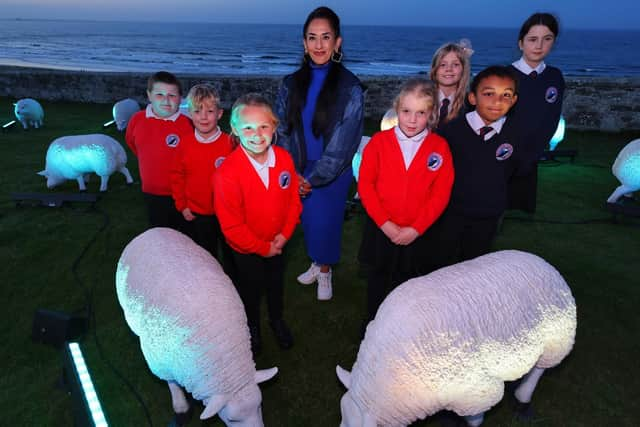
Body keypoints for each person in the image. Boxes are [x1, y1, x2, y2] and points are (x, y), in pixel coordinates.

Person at [275, 6, 365, 301]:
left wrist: (313, 177)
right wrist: (294, 170)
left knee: (326, 222)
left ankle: (325, 271)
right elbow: (283, 129)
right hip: (298, 166)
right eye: (312, 37)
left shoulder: (350, 86)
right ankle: (316, 263)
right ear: (304, 42)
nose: (318, 44)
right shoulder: (289, 84)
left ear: (337, 42)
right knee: (309, 221)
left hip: (331, 171)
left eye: (326, 37)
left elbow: (345, 140)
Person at [358, 78, 454, 323]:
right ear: (396, 109)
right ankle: (373, 326)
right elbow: (366, 186)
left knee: (410, 284)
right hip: (382, 229)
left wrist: (416, 228)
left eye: (421, 113)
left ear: (431, 113)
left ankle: (405, 328)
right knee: (378, 281)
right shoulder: (378, 143)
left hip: (417, 233)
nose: (412, 119)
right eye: (406, 111)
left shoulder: (440, 147)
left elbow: (441, 193)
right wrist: (385, 224)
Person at [214, 93, 302, 356]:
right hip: (246, 250)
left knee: (276, 284)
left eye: (264, 126)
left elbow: (293, 202)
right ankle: (251, 326)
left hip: (278, 243)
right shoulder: (227, 174)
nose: (257, 134)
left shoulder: (284, 159)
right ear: (235, 130)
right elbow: (231, 226)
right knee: (250, 291)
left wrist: (284, 236)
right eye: (248, 127)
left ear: (274, 127)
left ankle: (276, 319)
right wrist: (262, 248)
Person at [428, 66, 523, 268]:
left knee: (473, 268)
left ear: (514, 100)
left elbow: (514, 171)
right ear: (472, 98)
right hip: (449, 214)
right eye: (488, 94)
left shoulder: (516, 136)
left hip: (487, 216)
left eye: (505, 95)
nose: (497, 101)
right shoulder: (449, 132)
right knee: (439, 265)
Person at [170, 83, 234, 262]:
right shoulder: (184, 144)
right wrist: (182, 205)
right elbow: (177, 176)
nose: (204, 117)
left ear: (219, 114)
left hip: (227, 214)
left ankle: (233, 287)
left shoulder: (230, 144)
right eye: (197, 111)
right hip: (197, 213)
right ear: (190, 115)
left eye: (210, 111)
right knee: (205, 258)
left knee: (232, 257)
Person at [507, 13, 565, 213]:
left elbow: (551, 117)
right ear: (521, 43)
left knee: (520, 205)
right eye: (533, 39)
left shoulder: (554, 77)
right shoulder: (505, 76)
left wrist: (536, 151)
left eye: (546, 39)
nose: (539, 46)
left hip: (533, 154)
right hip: (504, 153)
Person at [126, 71, 193, 229]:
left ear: (180, 98)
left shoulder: (188, 125)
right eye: (159, 94)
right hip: (151, 193)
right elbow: (133, 144)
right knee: (159, 235)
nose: (166, 100)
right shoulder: (137, 120)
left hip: (183, 195)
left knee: (185, 236)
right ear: (149, 95)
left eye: (172, 95)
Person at [429, 40, 473, 130]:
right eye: (443, 64)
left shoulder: (470, 105)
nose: (449, 69)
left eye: (456, 64)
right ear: (434, 69)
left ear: (463, 69)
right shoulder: (422, 99)